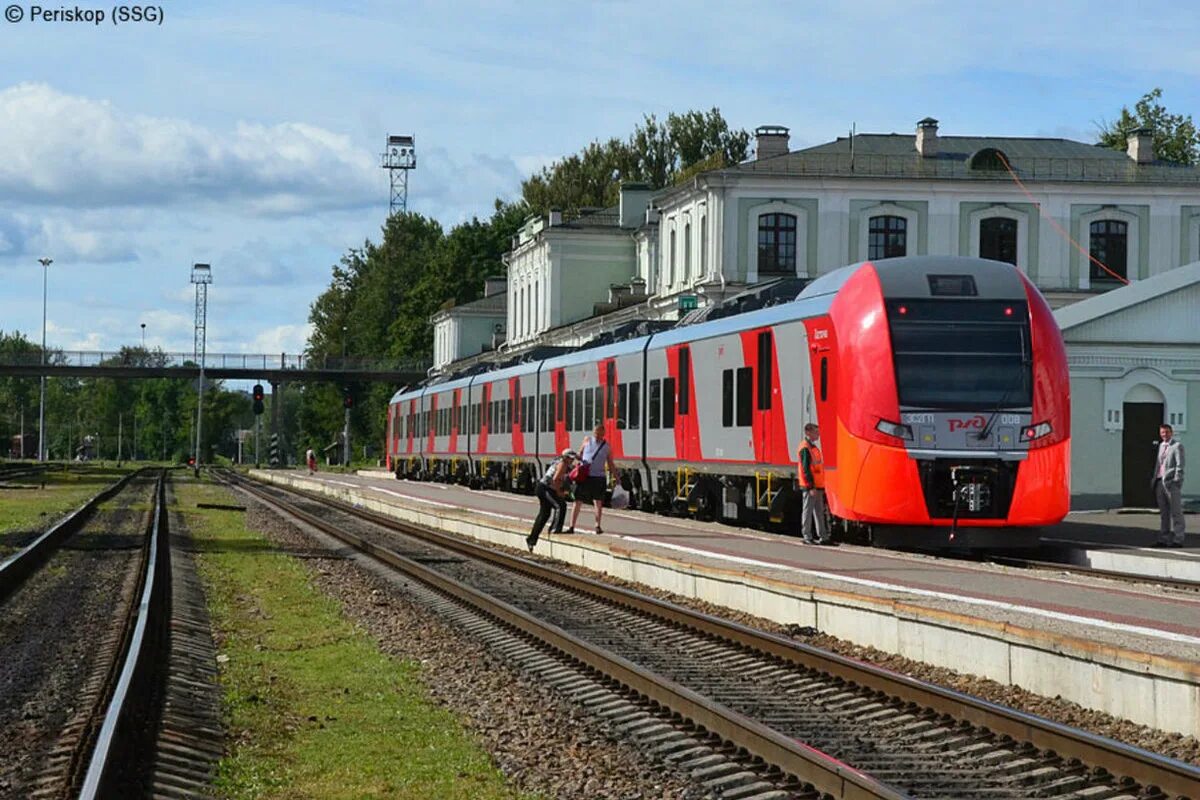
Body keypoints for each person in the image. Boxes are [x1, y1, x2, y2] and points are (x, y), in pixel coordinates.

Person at [568, 424, 617, 534]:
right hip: (585, 476)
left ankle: (597, 526)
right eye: (596, 433)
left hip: (599, 477)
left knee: (598, 501)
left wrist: (616, 477)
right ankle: (571, 526)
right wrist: (577, 461)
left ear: (603, 434)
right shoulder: (587, 440)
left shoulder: (606, 447)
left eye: (600, 433)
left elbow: (610, 464)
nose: (597, 435)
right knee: (578, 501)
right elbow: (580, 454)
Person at [527, 449, 577, 552]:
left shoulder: (559, 461)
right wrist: (559, 492)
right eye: (570, 458)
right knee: (560, 506)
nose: (572, 461)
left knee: (544, 514)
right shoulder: (562, 464)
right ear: (566, 457)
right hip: (545, 488)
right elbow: (555, 479)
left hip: (544, 488)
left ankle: (531, 540)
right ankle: (555, 530)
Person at [797, 423, 831, 544]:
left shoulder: (813, 447)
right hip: (810, 487)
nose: (818, 434)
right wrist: (811, 486)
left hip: (817, 486)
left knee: (818, 512)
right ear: (808, 433)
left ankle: (823, 537)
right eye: (816, 432)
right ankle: (807, 536)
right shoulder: (805, 448)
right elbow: (806, 469)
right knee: (808, 511)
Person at [1152, 423, 1186, 547]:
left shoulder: (1177, 446)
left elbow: (1180, 465)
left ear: (1171, 433)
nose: (1164, 435)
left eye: (1166, 432)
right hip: (1160, 481)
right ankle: (1164, 538)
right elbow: (1159, 464)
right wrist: (1154, 479)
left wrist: (1177, 481)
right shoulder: (1161, 446)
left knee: (1176, 512)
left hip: (1171, 483)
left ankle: (1178, 538)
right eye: (1162, 433)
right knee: (1164, 513)